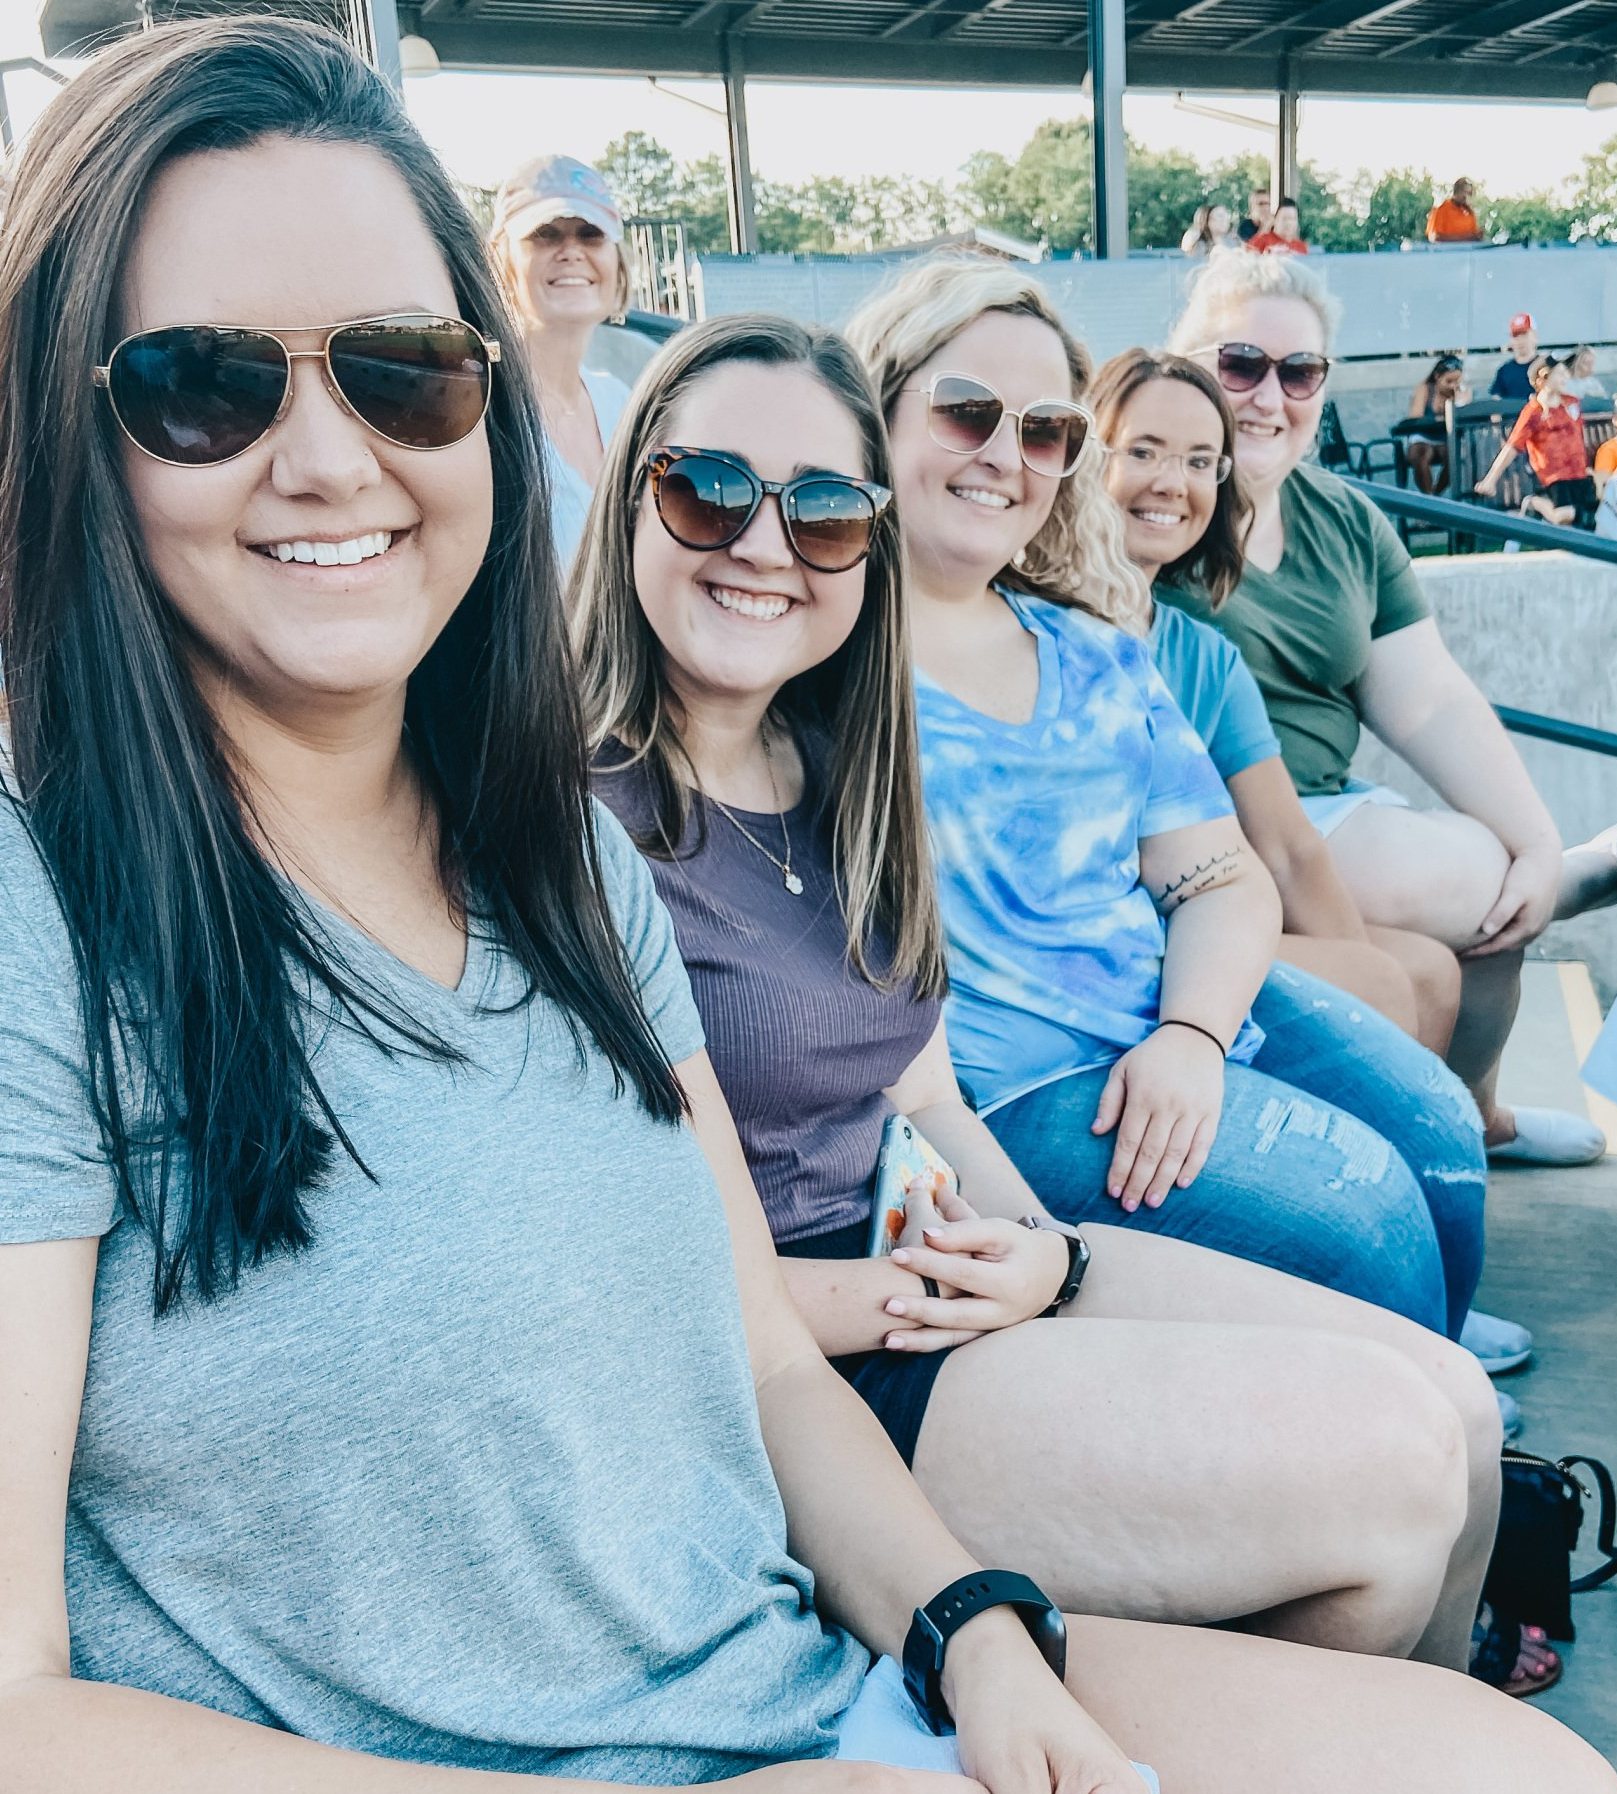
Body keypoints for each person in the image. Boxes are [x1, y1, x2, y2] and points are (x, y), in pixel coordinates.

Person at [0, 21, 1197, 1793]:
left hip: (806, 1682)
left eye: (402, 370)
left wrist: (978, 1639)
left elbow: (771, 1367)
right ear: (69, 426)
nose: (330, 459)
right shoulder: (41, 911)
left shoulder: (560, 852)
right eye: (206, 380)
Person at [577, 311, 1506, 1676]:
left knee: (1462, 1407)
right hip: (803, 1362)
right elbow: (676, 1290)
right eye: (705, 488)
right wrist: (991, 1281)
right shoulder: (574, 816)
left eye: (825, 511)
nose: (767, 545)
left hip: (930, 1255)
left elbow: (925, 1082)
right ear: (627, 496)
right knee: (1397, 1471)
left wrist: (1040, 1250)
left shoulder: (836, 760)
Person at [842, 258, 1502, 1371]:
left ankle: (1430, 1416)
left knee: (1442, 1137)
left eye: (1045, 428)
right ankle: (1415, 1425)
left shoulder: (1093, 650)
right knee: (1370, 1223)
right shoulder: (825, 655)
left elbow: (1225, 876)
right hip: (1017, 1093)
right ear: (881, 407)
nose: (1007, 455)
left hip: (1167, 1023)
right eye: (967, 413)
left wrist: (1191, 1037)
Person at [1166, 248, 1607, 1169]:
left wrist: (1526, 839)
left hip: (1319, 807)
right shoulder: (1149, 505)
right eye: (1237, 364)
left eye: (1298, 372)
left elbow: (1429, 699)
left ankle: (1477, 1118)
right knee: (1481, 888)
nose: (1265, 396)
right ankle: (1582, 877)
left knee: (1495, 914)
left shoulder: (1342, 521)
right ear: (1187, 366)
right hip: (1208, 828)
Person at [1090, 346, 1462, 1058]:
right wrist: (1363, 985)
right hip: (1119, 939)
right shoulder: (1038, 627)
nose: (1172, 482)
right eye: (1143, 451)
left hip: (1201, 910)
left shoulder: (1201, 654)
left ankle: (1431, 1143)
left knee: (1427, 975)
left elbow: (1291, 849)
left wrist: (1359, 972)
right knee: (1383, 986)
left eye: (1200, 462)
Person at [491, 151, 632, 569]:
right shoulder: (484, 413)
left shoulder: (621, 403)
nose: (571, 251)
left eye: (591, 234)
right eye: (545, 234)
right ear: (503, 259)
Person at [1475, 356, 1596, 529]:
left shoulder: (1571, 402)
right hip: (1554, 477)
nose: (1566, 378)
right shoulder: (1534, 412)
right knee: (1564, 516)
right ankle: (1535, 502)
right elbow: (1513, 446)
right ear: (1543, 378)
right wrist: (1490, 480)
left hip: (1578, 473)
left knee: (1593, 511)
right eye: (1560, 374)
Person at [1403, 353, 1471, 495]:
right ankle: (1428, 497)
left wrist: (1457, 401)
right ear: (1437, 377)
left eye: (1457, 381)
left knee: (1453, 457)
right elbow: (1415, 418)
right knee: (1420, 455)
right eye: (1449, 381)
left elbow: (1463, 416)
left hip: (1446, 439)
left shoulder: (1462, 391)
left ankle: (1435, 496)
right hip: (1423, 436)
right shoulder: (1425, 389)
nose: (1453, 385)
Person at [1489, 312, 1541, 401]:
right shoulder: (1504, 370)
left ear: (1535, 336)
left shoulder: (1545, 367)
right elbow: (1496, 402)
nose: (1520, 340)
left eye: (1524, 334)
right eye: (1516, 336)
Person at [1426, 179, 1482, 244]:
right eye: (1464, 192)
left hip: (1468, 253)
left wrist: (1478, 236)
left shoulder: (1469, 213)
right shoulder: (1442, 208)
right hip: (1446, 252)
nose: (1466, 196)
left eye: (1469, 193)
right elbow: (1434, 237)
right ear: (1456, 192)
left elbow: (1474, 236)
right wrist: (1466, 238)